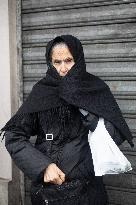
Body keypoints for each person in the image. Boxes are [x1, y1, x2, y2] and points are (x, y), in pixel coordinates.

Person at [0, 35, 134, 205]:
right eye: (57, 62)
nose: (63, 68)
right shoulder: (42, 91)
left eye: (68, 60)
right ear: (50, 63)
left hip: (88, 191)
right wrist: (43, 166)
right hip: (50, 192)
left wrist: (88, 112)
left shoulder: (94, 88)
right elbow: (14, 135)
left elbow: (116, 135)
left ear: (78, 60)